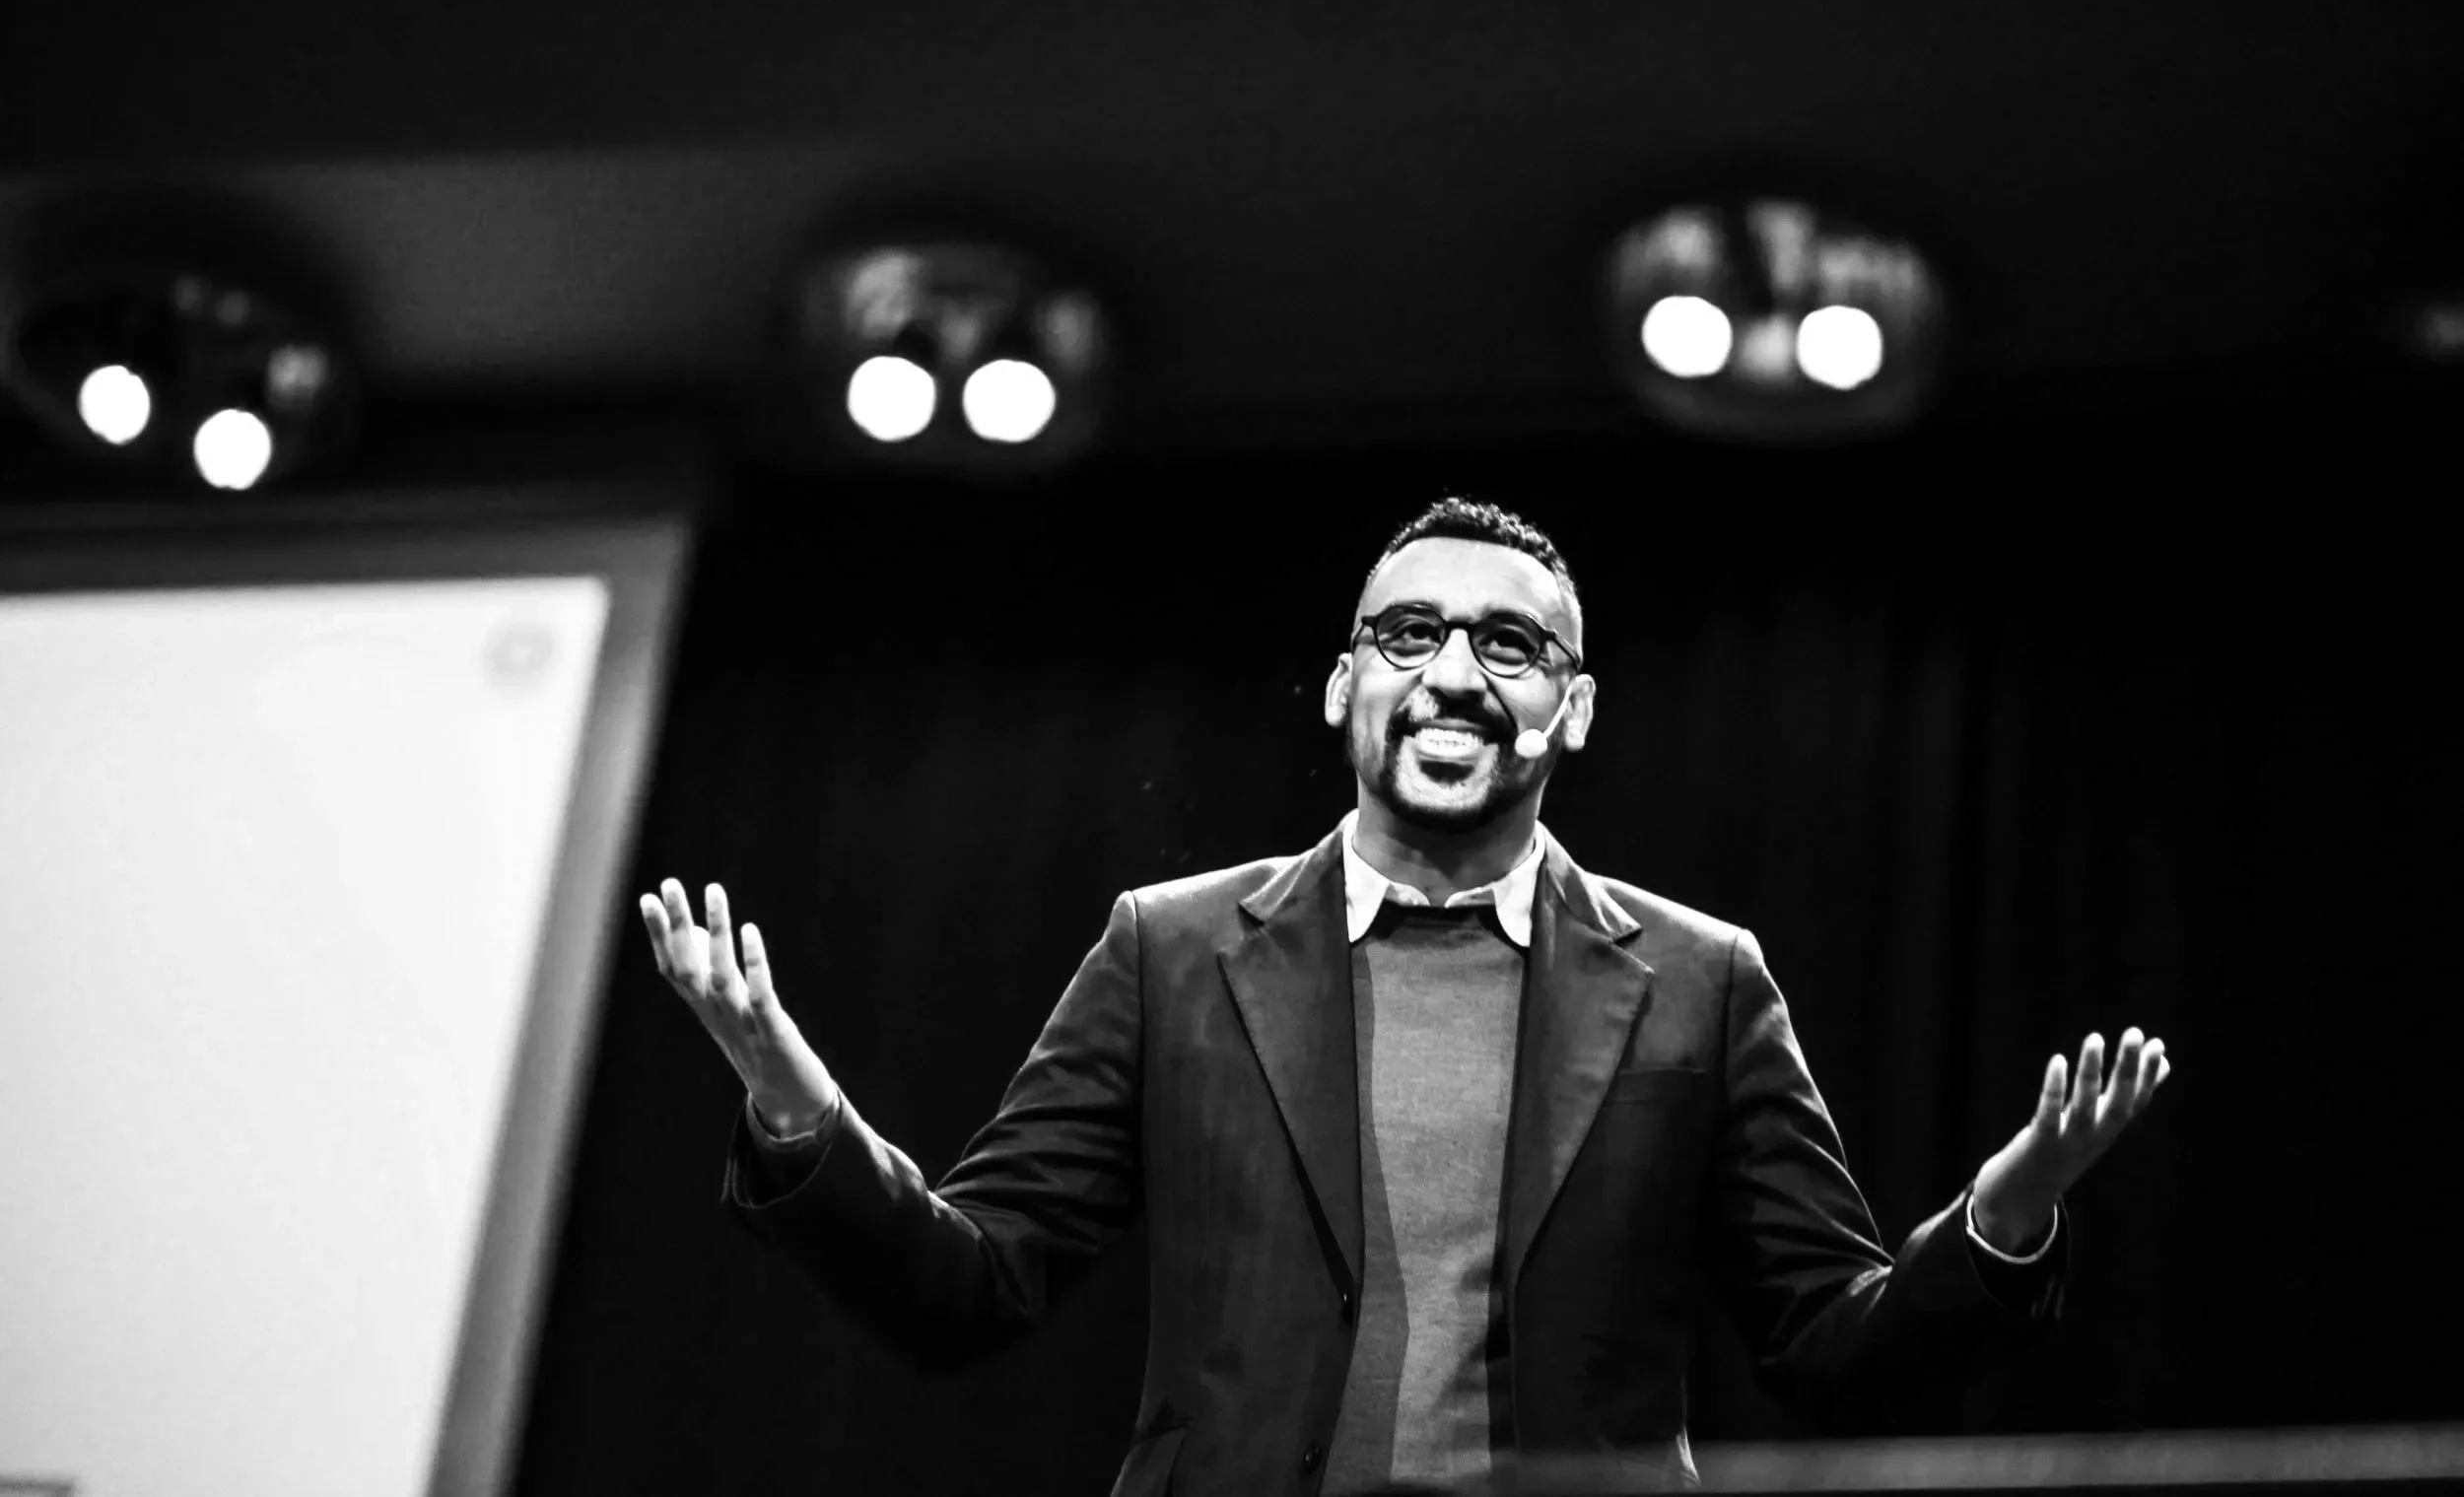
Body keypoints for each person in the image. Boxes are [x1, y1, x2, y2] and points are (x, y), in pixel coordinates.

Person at [640, 497, 2171, 1497]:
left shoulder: (1701, 980)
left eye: (1510, 645)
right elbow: (969, 1290)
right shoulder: (1173, 948)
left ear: (1574, 707)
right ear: (1343, 683)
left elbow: (1831, 1348)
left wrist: (2006, 1213)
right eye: (1407, 634)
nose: (1452, 673)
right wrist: (795, 1104)